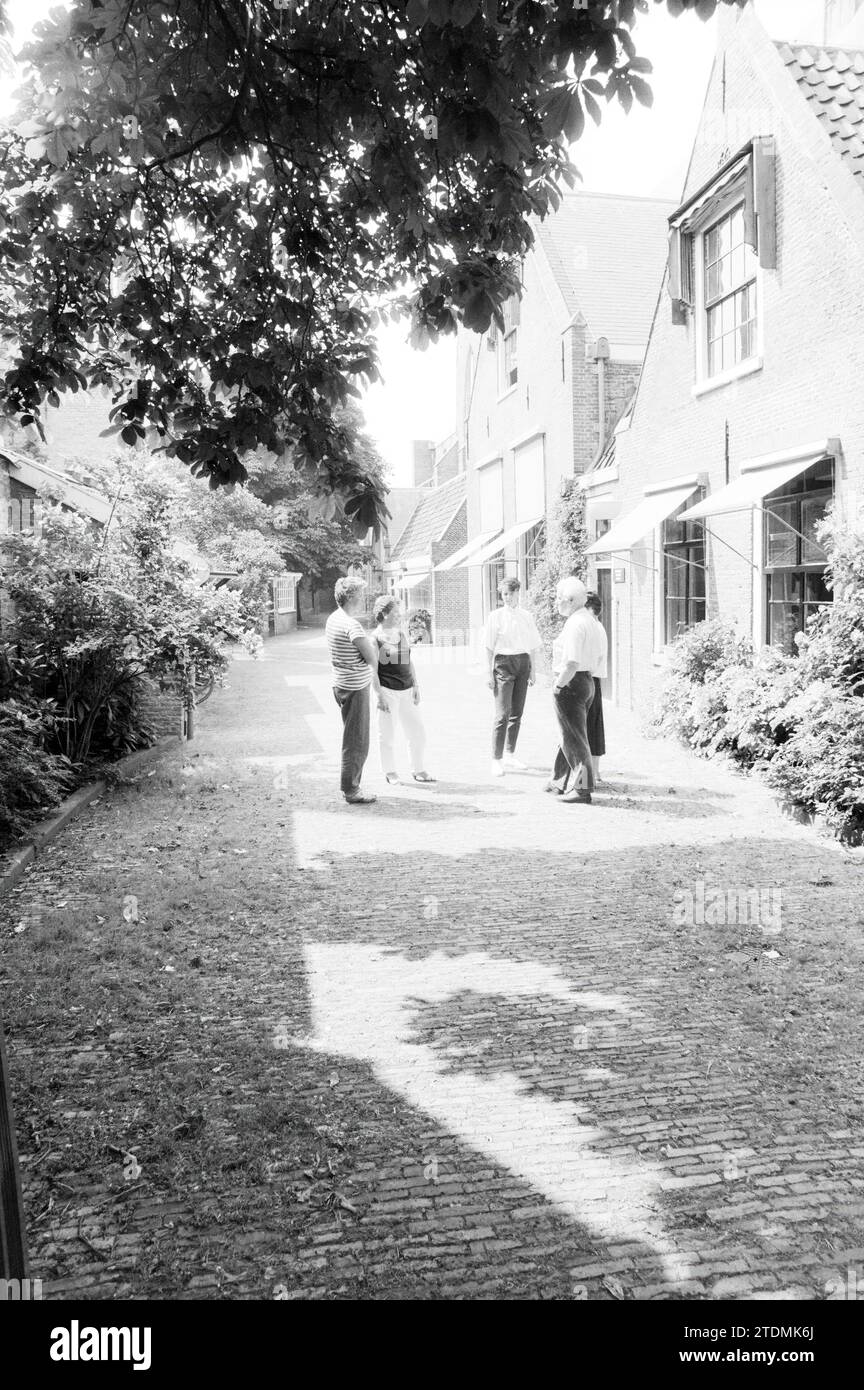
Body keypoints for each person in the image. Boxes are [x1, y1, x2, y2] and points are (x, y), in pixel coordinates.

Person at [547, 577, 606, 805]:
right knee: (570, 733)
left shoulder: (574, 624)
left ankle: (582, 790)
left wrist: (559, 684)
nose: (557, 603)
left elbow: (571, 662)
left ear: (570, 600)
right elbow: (598, 655)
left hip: (571, 683)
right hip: (587, 680)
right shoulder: (590, 620)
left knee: (575, 737)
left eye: (559, 598)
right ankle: (558, 780)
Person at [324, 576, 380, 804]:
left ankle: (351, 785)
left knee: (352, 736)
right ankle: (351, 789)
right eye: (360, 594)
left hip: (340, 684)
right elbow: (372, 657)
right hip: (355, 687)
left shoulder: (333, 619)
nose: (363, 598)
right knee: (356, 740)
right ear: (351, 597)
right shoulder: (351, 625)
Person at [373, 595, 436, 785]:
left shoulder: (400, 635)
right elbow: (373, 671)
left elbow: (409, 661)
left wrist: (416, 685)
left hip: (407, 689)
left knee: (417, 732)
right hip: (388, 691)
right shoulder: (374, 638)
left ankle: (418, 769)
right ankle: (390, 772)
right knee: (387, 734)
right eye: (395, 613)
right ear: (384, 614)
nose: (399, 616)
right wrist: (379, 696)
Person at [484, 576, 543, 778]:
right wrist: (488, 672)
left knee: (517, 712)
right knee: (502, 712)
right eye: (504, 594)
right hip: (503, 664)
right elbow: (489, 647)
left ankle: (509, 754)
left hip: (522, 662)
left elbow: (533, 644)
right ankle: (496, 759)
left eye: (510, 593)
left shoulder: (527, 616)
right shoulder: (495, 616)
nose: (507, 598)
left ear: (518, 593)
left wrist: (533, 670)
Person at [584, 591, 608, 786]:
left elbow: (596, 657)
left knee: (588, 727)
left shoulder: (594, 628)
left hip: (590, 679)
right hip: (594, 679)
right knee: (593, 726)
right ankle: (594, 772)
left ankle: (591, 774)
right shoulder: (597, 627)